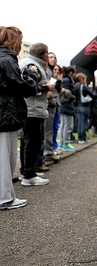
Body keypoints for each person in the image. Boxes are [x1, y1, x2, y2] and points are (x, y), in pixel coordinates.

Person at [0, 26, 38, 209]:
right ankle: (5, 198)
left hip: (4, 112)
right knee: (5, 157)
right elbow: (21, 87)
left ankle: (6, 196)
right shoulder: (7, 59)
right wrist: (31, 76)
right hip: (6, 113)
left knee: (5, 155)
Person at [19, 43, 54, 186]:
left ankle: (26, 171)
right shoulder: (32, 65)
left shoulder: (27, 63)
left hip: (30, 108)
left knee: (27, 141)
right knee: (32, 142)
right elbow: (30, 88)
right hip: (32, 109)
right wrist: (47, 87)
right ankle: (29, 175)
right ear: (45, 55)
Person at [73, 73, 94, 144]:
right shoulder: (83, 86)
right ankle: (82, 138)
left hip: (77, 106)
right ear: (82, 79)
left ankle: (80, 138)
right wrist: (90, 88)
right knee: (83, 123)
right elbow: (91, 94)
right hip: (84, 105)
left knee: (79, 122)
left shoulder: (74, 86)